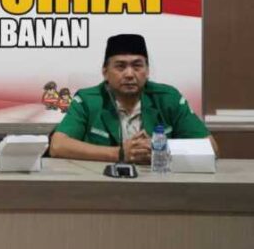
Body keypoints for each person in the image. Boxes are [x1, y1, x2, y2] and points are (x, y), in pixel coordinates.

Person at [49, 34, 218, 163]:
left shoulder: (168, 98)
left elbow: (211, 147)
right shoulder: (87, 100)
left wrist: (161, 149)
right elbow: (57, 146)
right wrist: (120, 153)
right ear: (105, 72)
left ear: (147, 71)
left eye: (137, 66)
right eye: (120, 66)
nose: (129, 74)